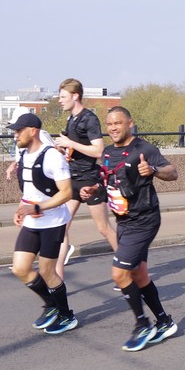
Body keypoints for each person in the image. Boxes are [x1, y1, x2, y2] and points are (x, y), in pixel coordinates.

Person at [80, 106, 180, 352]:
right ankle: (164, 322)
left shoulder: (143, 149)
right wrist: (94, 189)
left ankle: (142, 324)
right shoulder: (107, 152)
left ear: (130, 123)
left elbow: (172, 172)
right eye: (109, 124)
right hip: (124, 221)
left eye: (118, 123)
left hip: (144, 220)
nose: (113, 128)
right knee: (139, 274)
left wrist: (154, 170)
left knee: (119, 274)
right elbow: (108, 181)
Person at [7, 112, 79, 335]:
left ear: (33, 131)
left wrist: (38, 208)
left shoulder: (52, 157)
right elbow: (29, 190)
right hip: (32, 221)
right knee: (20, 268)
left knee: (48, 271)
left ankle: (66, 316)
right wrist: (21, 209)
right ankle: (51, 306)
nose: (15, 135)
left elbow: (66, 193)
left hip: (53, 222)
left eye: (19, 131)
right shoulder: (23, 155)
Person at [52, 79, 116, 271]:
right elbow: (76, 149)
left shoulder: (89, 119)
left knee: (103, 228)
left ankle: (128, 264)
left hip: (90, 180)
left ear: (75, 96)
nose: (59, 100)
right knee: (61, 226)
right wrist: (63, 150)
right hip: (72, 179)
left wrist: (70, 144)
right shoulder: (71, 119)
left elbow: (99, 151)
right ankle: (57, 278)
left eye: (63, 97)